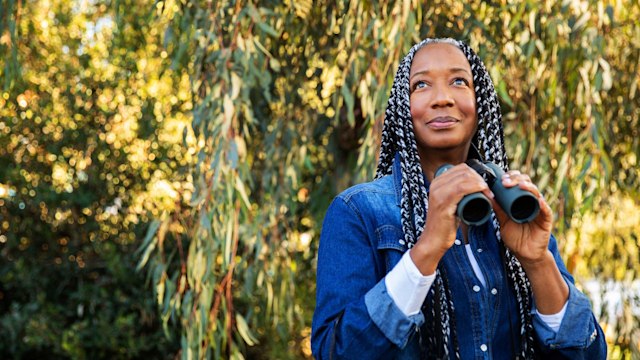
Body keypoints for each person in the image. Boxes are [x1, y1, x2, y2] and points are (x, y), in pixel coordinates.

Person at [311, 38, 607, 359]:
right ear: (401, 108)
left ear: (481, 104)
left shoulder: (516, 208)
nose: (442, 98)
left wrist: (537, 262)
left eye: (458, 82)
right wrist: (425, 252)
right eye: (421, 84)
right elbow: (334, 352)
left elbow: (589, 354)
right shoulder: (359, 212)